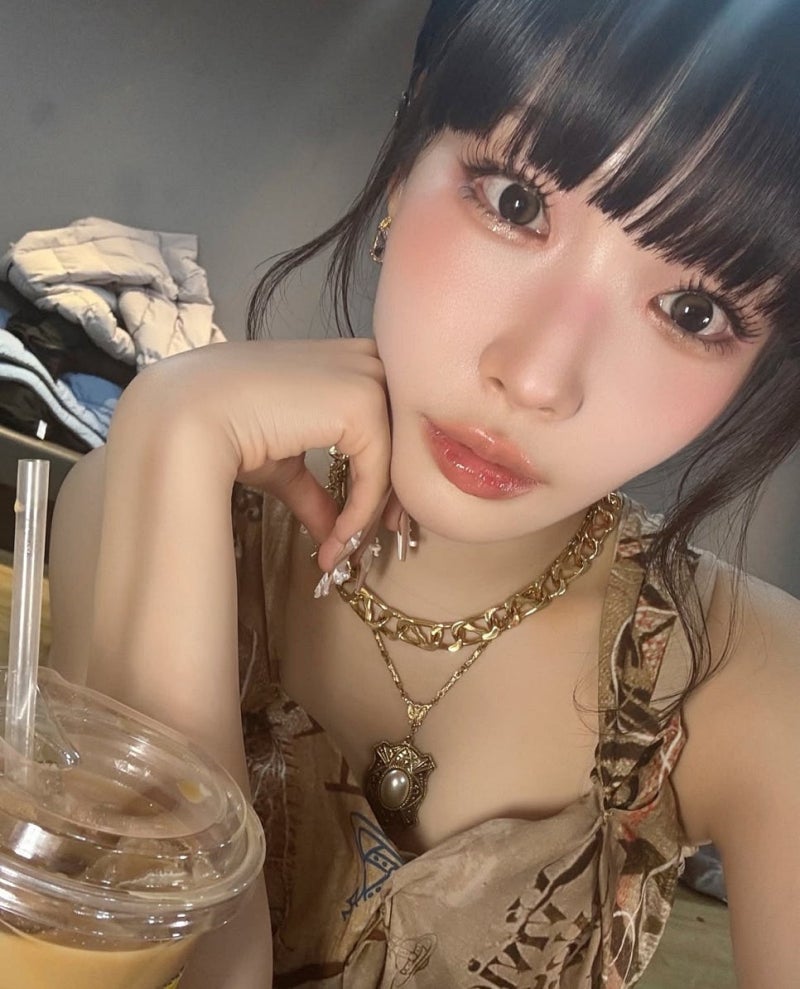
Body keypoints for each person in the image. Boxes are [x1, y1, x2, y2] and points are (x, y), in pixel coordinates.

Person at [47, 0, 800, 986]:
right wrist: (175, 431)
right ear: (403, 167)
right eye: (517, 204)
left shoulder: (752, 683)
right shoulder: (142, 497)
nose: (536, 377)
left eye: (692, 310)